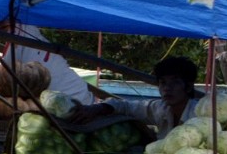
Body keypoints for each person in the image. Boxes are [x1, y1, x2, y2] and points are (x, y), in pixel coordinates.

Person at [70, 55, 204, 134]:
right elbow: (126, 106)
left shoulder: (200, 115)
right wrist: (97, 108)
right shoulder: (160, 108)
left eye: (174, 82)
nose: (167, 88)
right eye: (163, 83)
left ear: (188, 86)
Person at [0, 22, 96, 102]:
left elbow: (3, 74)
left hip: (72, 100)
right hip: (75, 95)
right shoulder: (27, 30)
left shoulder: (20, 33)